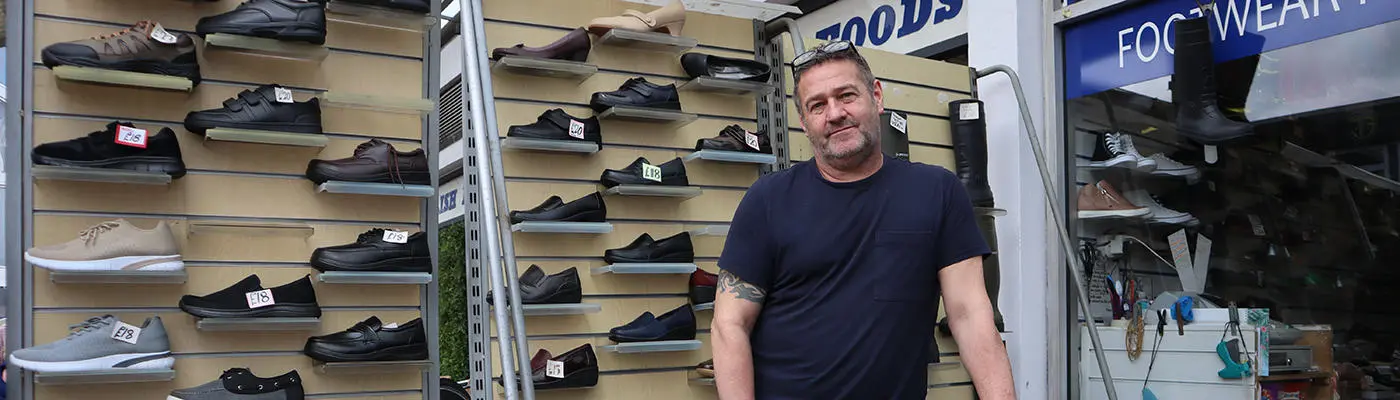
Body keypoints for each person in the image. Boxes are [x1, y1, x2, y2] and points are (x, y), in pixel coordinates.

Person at [710, 41, 1016, 399]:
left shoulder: (937, 191)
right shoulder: (768, 200)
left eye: (846, 96)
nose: (835, 113)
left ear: (876, 96)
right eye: (817, 105)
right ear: (804, 122)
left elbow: (970, 315)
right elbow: (730, 323)